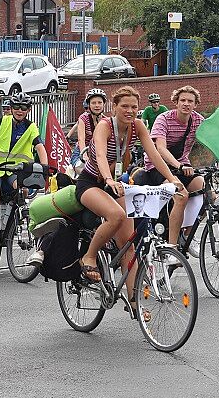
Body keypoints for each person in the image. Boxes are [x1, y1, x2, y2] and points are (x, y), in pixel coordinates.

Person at [76, 86, 183, 289]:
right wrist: (107, 179)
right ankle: (89, 257)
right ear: (114, 107)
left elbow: (154, 154)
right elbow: (99, 155)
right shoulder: (105, 125)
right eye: (124, 106)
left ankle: (135, 305)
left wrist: (171, 179)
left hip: (117, 184)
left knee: (128, 246)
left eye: (134, 107)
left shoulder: (138, 126)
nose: (130, 111)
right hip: (91, 182)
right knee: (117, 215)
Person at [0, 92, 48, 263]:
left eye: (23, 107)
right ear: (11, 108)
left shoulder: (31, 127)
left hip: (14, 171)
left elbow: (39, 146)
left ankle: (14, 222)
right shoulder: (2, 122)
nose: (19, 110)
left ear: (28, 110)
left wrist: (44, 167)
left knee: (23, 191)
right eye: (16, 107)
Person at [138, 85, 206, 246]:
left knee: (206, 193)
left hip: (183, 164)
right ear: (176, 102)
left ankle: (188, 235)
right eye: (182, 100)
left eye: (190, 101)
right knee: (181, 195)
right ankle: (172, 245)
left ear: (196, 104)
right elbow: (160, 148)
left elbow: (210, 142)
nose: (186, 104)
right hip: (157, 166)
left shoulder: (198, 120)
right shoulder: (164, 119)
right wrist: (180, 166)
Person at [77, 88, 108, 158]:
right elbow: (81, 139)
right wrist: (84, 155)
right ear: (89, 105)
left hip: (99, 151)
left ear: (104, 104)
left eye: (100, 103)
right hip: (82, 151)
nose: (97, 105)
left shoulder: (106, 120)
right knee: (80, 167)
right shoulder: (83, 118)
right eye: (93, 103)